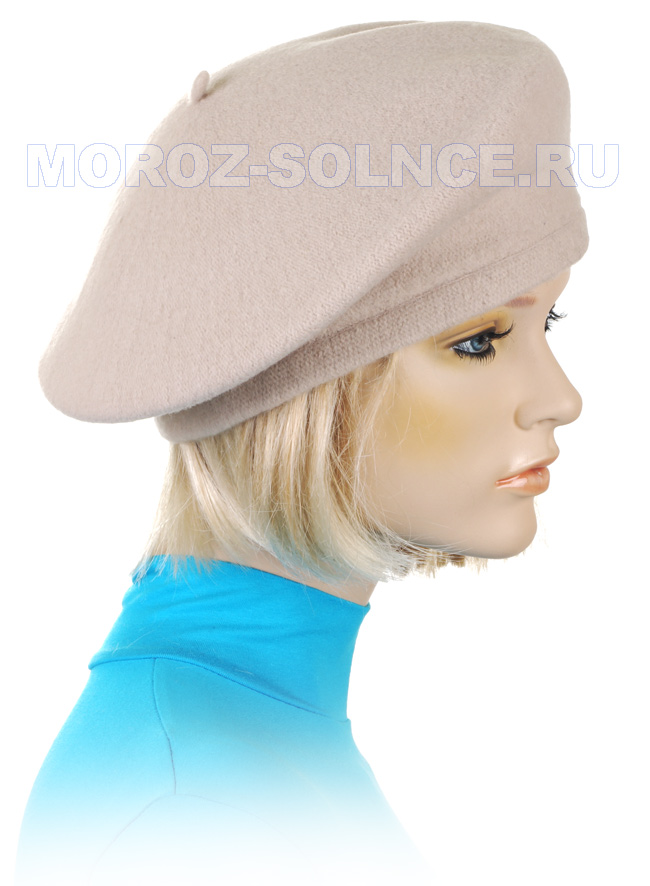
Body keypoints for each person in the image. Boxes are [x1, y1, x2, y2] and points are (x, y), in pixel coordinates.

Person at [15, 19, 589, 886]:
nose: (562, 399)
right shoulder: (189, 810)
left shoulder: (239, 743)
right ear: (306, 394)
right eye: (478, 341)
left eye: (550, 322)